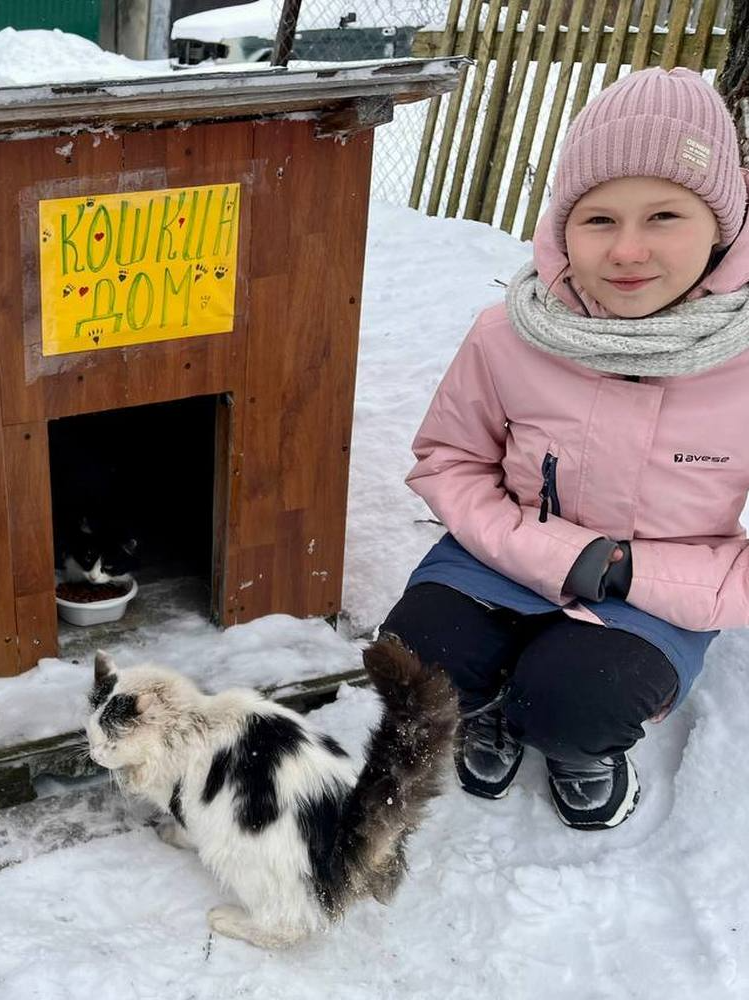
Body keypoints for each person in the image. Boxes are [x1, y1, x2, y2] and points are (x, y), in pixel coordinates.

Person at [382, 68, 749, 831]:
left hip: (657, 588)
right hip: (500, 554)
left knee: (573, 701)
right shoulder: (508, 333)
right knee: (415, 659)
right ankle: (483, 707)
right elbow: (448, 460)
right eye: (597, 219)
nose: (627, 250)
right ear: (560, 227)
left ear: (721, 222)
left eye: (663, 216)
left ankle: (579, 749)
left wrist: (630, 572)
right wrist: (555, 553)